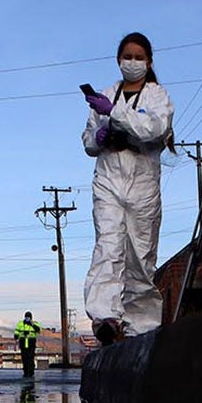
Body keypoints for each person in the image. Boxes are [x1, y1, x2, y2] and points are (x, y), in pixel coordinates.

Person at [82, 32, 174, 346]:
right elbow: (88, 141)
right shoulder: (106, 94)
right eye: (127, 56)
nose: (132, 62)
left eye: (138, 57)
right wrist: (100, 137)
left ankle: (141, 327)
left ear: (148, 62)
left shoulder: (156, 96)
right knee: (108, 247)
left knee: (140, 254)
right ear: (118, 60)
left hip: (143, 185)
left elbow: (154, 129)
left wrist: (116, 114)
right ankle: (105, 318)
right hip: (108, 179)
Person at [13, 311, 40, 378]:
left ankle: (31, 372)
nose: (27, 318)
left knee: (30, 358)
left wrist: (32, 324)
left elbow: (39, 330)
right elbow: (17, 331)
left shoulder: (35, 323)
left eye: (28, 317)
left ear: (31, 318)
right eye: (26, 317)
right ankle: (25, 372)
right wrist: (16, 336)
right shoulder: (20, 323)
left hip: (31, 342)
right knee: (24, 358)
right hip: (23, 342)